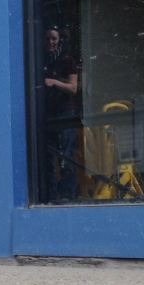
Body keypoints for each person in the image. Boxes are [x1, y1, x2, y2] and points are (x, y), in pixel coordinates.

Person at [44, 25, 79, 202]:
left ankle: (68, 195)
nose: (50, 42)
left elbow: (73, 88)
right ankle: (51, 194)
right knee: (48, 158)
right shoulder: (43, 61)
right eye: (48, 39)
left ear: (59, 41)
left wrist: (54, 82)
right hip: (48, 114)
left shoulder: (67, 60)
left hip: (65, 113)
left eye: (54, 39)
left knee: (65, 155)